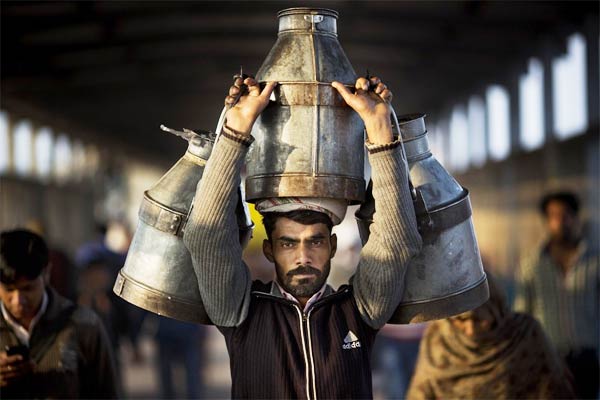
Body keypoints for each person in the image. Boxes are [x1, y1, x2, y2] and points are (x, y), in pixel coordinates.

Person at [182, 74, 422, 398]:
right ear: (269, 250)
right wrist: (236, 131)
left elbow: (395, 243)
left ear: (333, 246)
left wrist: (381, 135)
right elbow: (206, 237)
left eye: (316, 241)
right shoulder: (241, 311)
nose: (303, 256)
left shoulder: (358, 311)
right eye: (288, 243)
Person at [406, 276, 574, 399]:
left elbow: (554, 390)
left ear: (497, 310)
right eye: (460, 320)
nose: (470, 330)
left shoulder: (525, 334)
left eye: (480, 320)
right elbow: (420, 393)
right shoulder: (437, 339)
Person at [0, 229, 119, 399]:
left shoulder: (84, 325)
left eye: (28, 289)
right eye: (9, 290)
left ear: (46, 274)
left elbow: (106, 393)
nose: (17, 300)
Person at [514, 191, 599, 399]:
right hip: (547, 359)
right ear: (547, 221)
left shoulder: (594, 261)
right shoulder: (530, 264)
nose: (560, 222)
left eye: (566, 215)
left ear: (576, 217)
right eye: (554, 216)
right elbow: (523, 314)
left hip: (586, 359)